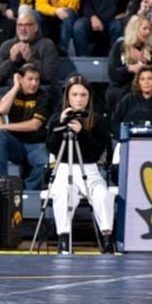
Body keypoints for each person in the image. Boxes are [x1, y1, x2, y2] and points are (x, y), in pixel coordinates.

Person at [46, 76, 115, 253]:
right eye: (74, 94)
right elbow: (52, 147)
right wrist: (61, 124)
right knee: (62, 194)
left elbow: (96, 152)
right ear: (67, 96)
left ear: (89, 97)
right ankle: (63, 239)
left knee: (102, 195)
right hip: (64, 167)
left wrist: (82, 133)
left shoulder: (98, 120)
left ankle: (107, 239)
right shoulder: (57, 118)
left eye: (83, 95)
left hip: (89, 168)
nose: (79, 99)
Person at [0, 63, 53, 192]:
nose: (34, 83)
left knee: (44, 163)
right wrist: (16, 87)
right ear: (20, 79)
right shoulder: (13, 93)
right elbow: (1, 109)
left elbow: (34, 125)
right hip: (15, 144)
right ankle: (1, 182)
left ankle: (25, 191)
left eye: (37, 79)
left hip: (35, 144)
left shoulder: (44, 96)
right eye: (30, 79)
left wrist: (5, 126)